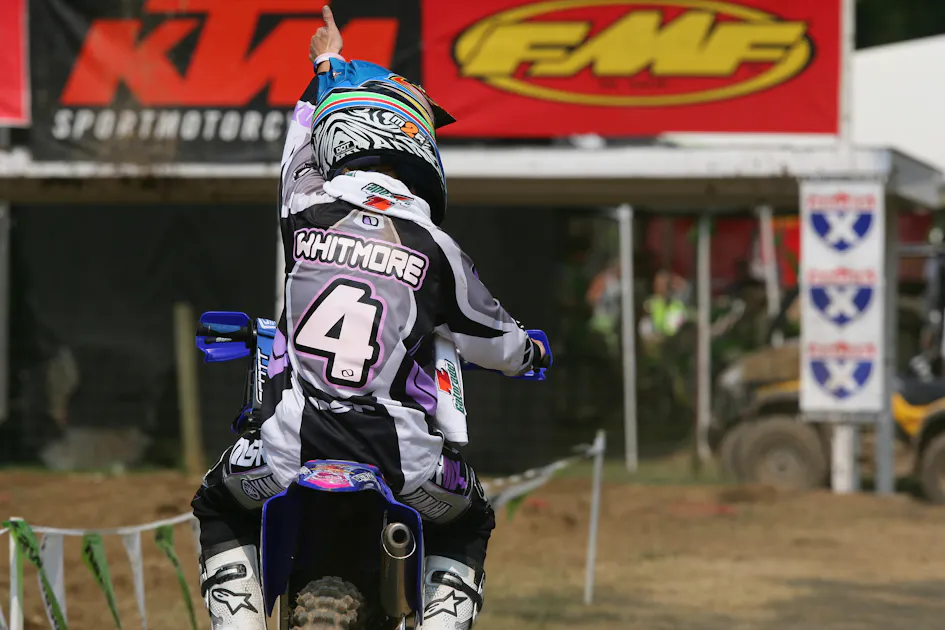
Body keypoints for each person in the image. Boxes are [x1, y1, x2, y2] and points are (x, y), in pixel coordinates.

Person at [190, 7, 550, 630]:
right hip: (402, 464)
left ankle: (239, 623)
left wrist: (326, 66)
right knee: (469, 520)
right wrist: (532, 354)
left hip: (287, 450)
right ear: (415, 143)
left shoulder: (303, 206)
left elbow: (297, 144)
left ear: (343, 135)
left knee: (218, 504)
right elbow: (498, 344)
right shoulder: (437, 249)